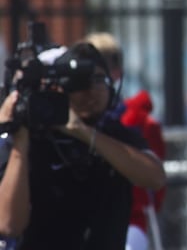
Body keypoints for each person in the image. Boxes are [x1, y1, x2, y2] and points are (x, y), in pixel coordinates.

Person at [0, 40, 167, 249]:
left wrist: (84, 133)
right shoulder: (34, 139)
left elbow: (155, 178)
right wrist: (20, 144)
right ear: (58, 89)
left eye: (98, 79)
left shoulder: (115, 134)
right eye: (78, 83)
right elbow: (9, 224)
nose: (92, 91)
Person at [85, 30, 167, 250]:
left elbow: (154, 187)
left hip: (127, 219)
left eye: (102, 72)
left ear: (117, 73)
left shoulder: (135, 122)